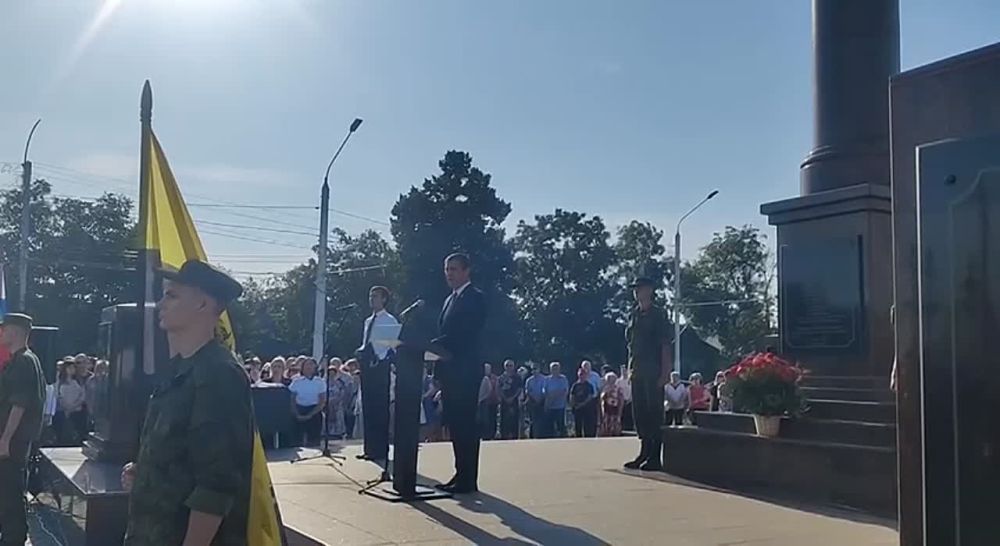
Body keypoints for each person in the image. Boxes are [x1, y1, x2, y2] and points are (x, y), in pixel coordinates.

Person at [122, 260, 254, 545]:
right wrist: (145, 473)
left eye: (171, 295)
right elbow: (180, 453)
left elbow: (216, 486)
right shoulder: (179, 369)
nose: (160, 304)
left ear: (202, 305)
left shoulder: (218, 375)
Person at [432, 253, 488, 495]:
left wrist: (433, 343)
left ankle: (469, 478)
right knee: (454, 425)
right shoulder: (449, 300)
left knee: (466, 424)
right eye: (447, 269)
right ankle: (460, 472)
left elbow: (465, 334)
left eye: (454, 269)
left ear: (467, 271)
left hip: (466, 370)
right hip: (450, 372)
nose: (449, 274)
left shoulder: (475, 298)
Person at [0, 313, 45, 546]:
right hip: (17, 443)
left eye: (4, 329)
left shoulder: (23, 361)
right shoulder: (27, 359)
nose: (1, 333)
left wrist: (4, 440)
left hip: (13, 444)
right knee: (9, 497)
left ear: (15, 332)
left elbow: (19, 404)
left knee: (10, 500)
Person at [623, 275, 672, 471]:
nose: (637, 292)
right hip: (637, 370)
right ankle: (644, 450)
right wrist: (629, 369)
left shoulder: (658, 315)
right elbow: (631, 345)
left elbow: (665, 344)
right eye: (635, 289)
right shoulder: (633, 314)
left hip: (654, 370)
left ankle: (654, 455)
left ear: (650, 290)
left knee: (654, 413)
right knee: (640, 413)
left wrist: (666, 372)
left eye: (640, 288)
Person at [355, 285, 399, 463]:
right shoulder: (368, 321)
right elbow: (366, 342)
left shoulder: (389, 319)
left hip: (380, 366)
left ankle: (381, 449)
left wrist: (378, 356)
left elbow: (391, 345)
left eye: (375, 296)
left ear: (384, 299)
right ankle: (370, 448)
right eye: (370, 296)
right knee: (369, 408)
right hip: (367, 366)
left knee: (380, 409)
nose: (372, 299)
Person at [289, 357, 326, 447]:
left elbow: (322, 401)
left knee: (313, 441)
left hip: (314, 410)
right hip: (299, 409)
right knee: (297, 440)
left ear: (315, 367)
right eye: (306, 365)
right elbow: (292, 399)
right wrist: (296, 414)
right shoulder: (296, 381)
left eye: (311, 364)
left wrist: (311, 414)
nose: (308, 367)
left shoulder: (320, 382)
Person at [54, 359, 87, 444]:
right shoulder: (60, 382)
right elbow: (58, 396)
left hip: (77, 412)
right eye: (69, 368)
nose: (71, 370)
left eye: (73, 368)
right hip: (63, 412)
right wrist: (66, 407)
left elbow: (82, 395)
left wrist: (74, 406)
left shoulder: (78, 381)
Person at [497, 359, 523, 440]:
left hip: (514, 402)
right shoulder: (501, 377)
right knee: (504, 420)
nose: (509, 367)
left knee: (514, 420)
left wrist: (513, 397)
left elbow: (519, 389)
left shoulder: (517, 377)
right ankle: (503, 437)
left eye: (510, 365)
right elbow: (498, 388)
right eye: (507, 365)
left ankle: (515, 437)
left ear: (514, 366)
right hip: (504, 402)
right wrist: (504, 398)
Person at [569, 367, 598, 438]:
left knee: (587, 426)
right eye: (580, 374)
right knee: (577, 426)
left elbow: (590, 397)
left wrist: (582, 404)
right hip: (577, 409)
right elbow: (572, 396)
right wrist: (572, 405)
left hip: (587, 409)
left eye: (583, 374)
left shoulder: (589, 385)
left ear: (586, 375)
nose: (582, 376)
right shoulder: (575, 385)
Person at [543, 362, 569, 438]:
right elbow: (544, 391)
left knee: (561, 425)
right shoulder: (547, 379)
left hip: (560, 406)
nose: (555, 370)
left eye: (556, 368)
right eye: (553, 369)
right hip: (549, 406)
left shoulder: (563, 379)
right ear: (550, 370)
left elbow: (565, 391)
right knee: (549, 426)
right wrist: (550, 396)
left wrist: (554, 395)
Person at [477, 363, 499, 440]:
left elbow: (489, 389)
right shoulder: (478, 377)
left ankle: (488, 435)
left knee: (486, 419)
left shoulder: (486, 379)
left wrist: (483, 398)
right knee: (479, 419)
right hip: (477, 402)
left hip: (485, 402)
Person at [524, 365, 546, 439]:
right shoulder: (529, 380)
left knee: (542, 420)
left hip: (542, 403)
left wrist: (540, 399)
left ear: (539, 369)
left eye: (536, 369)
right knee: (532, 420)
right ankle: (532, 436)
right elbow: (527, 391)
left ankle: (542, 436)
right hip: (532, 403)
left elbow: (545, 391)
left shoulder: (544, 379)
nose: (534, 371)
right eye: (533, 369)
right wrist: (533, 399)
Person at [599, 372, 624, 437]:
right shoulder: (604, 389)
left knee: (615, 429)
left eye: (612, 379)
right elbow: (602, 399)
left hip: (615, 411)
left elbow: (621, 400)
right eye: (609, 379)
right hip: (606, 411)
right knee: (606, 429)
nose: (610, 381)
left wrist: (619, 413)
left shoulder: (618, 389)